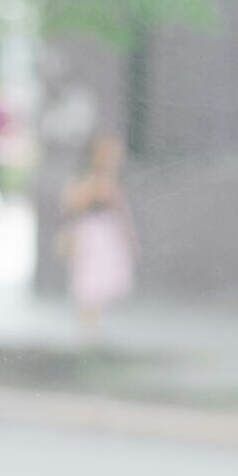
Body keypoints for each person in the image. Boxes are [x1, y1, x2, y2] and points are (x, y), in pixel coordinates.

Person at [59, 128, 137, 342]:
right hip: (89, 234)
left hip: (107, 234)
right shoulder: (86, 178)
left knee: (103, 281)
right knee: (88, 282)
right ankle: (87, 329)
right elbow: (71, 202)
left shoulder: (111, 178)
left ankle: (93, 328)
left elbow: (121, 209)